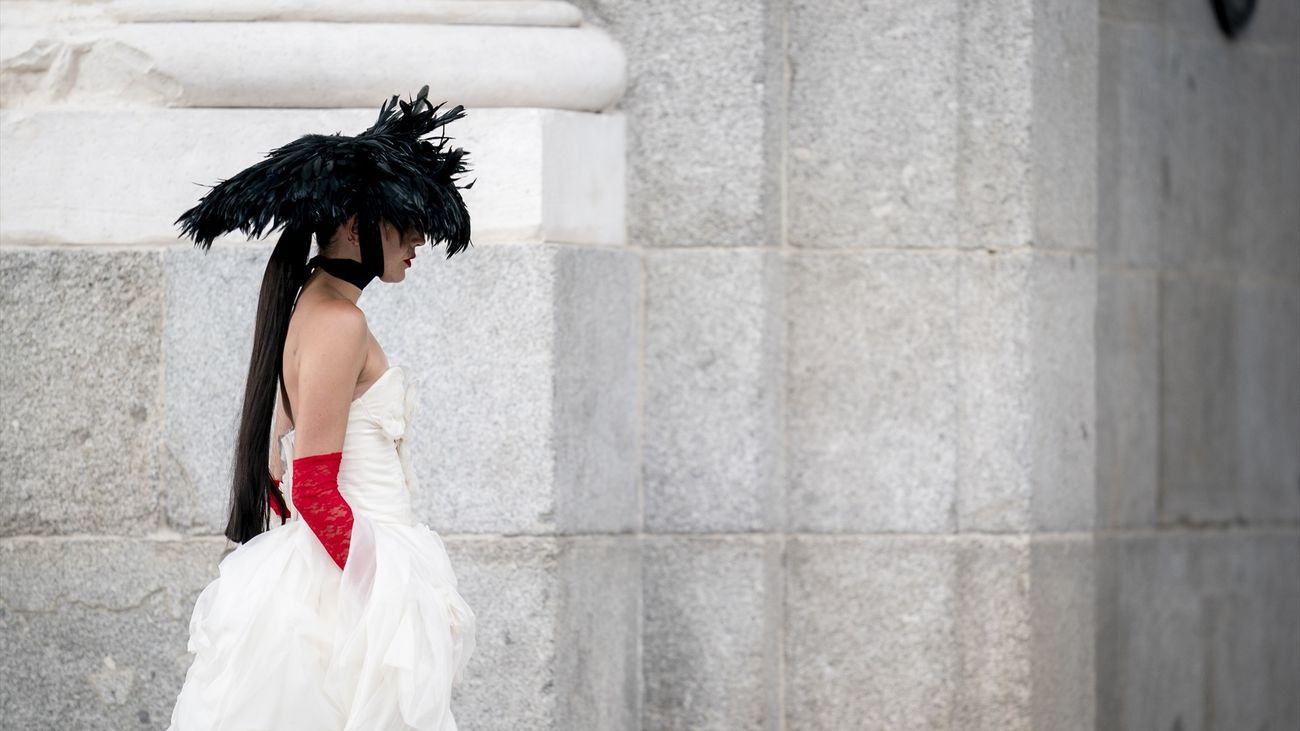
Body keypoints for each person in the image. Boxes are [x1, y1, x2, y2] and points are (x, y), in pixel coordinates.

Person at [166, 87, 477, 730]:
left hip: (329, 572)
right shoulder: (337, 321)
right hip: (351, 582)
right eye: (406, 219)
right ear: (359, 226)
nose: (419, 238)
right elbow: (310, 487)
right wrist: (380, 599)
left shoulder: (308, 303)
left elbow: (282, 463)